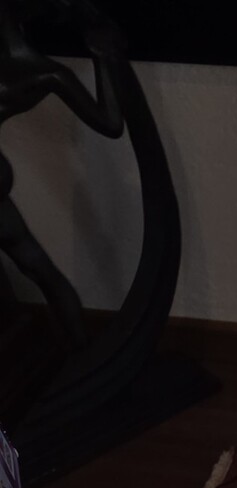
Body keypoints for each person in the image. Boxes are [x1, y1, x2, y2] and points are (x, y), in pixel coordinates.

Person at [0, 0, 124, 347]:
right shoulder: (44, 73)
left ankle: (79, 348)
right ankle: (77, 346)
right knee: (37, 267)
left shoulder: (45, 74)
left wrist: (103, 57)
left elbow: (111, 123)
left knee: (37, 267)